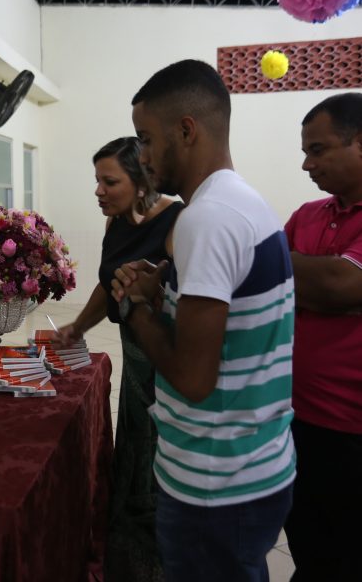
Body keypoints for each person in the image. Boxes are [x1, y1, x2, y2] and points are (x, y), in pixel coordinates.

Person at [111, 59, 295, 581]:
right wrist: (164, 282)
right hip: (252, 465)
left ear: (186, 130)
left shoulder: (206, 219)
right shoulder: (241, 202)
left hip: (215, 484)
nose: (142, 157)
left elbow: (193, 378)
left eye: (145, 140)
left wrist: (138, 307)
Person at [55, 137, 182, 581]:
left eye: (110, 181)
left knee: (156, 474)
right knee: (133, 461)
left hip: (167, 369)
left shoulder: (176, 221)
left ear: (142, 180)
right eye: (97, 181)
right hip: (135, 363)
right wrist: (78, 327)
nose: (98, 191)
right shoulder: (116, 224)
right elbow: (108, 284)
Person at [283, 93, 362, 581]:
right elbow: (260, 281)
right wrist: (324, 286)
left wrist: (327, 286)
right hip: (292, 419)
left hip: (353, 431)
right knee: (309, 548)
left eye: (319, 149)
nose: (307, 163)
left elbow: (342, 285)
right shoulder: (308, 214)